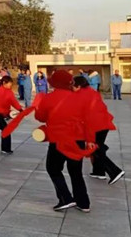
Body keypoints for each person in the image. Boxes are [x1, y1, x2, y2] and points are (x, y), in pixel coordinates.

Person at [35, 70, 91, 212]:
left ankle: (65, 198)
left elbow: (40, 117)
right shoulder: (79, 98)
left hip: (58, 140)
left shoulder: (48, 98)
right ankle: (83, 203)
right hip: (77, 139)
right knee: (76, 171)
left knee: (53, 168)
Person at [73, 76, 125, 185]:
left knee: (94, 149)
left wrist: (90, 140)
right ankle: (99, 171)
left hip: (96, 126)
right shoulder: (91, 91)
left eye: (73, 86)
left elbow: (88, 120)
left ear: (78, 86)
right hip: (104, 123)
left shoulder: (81, 96)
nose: (71, 88)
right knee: (98, 147)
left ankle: (114, 171)